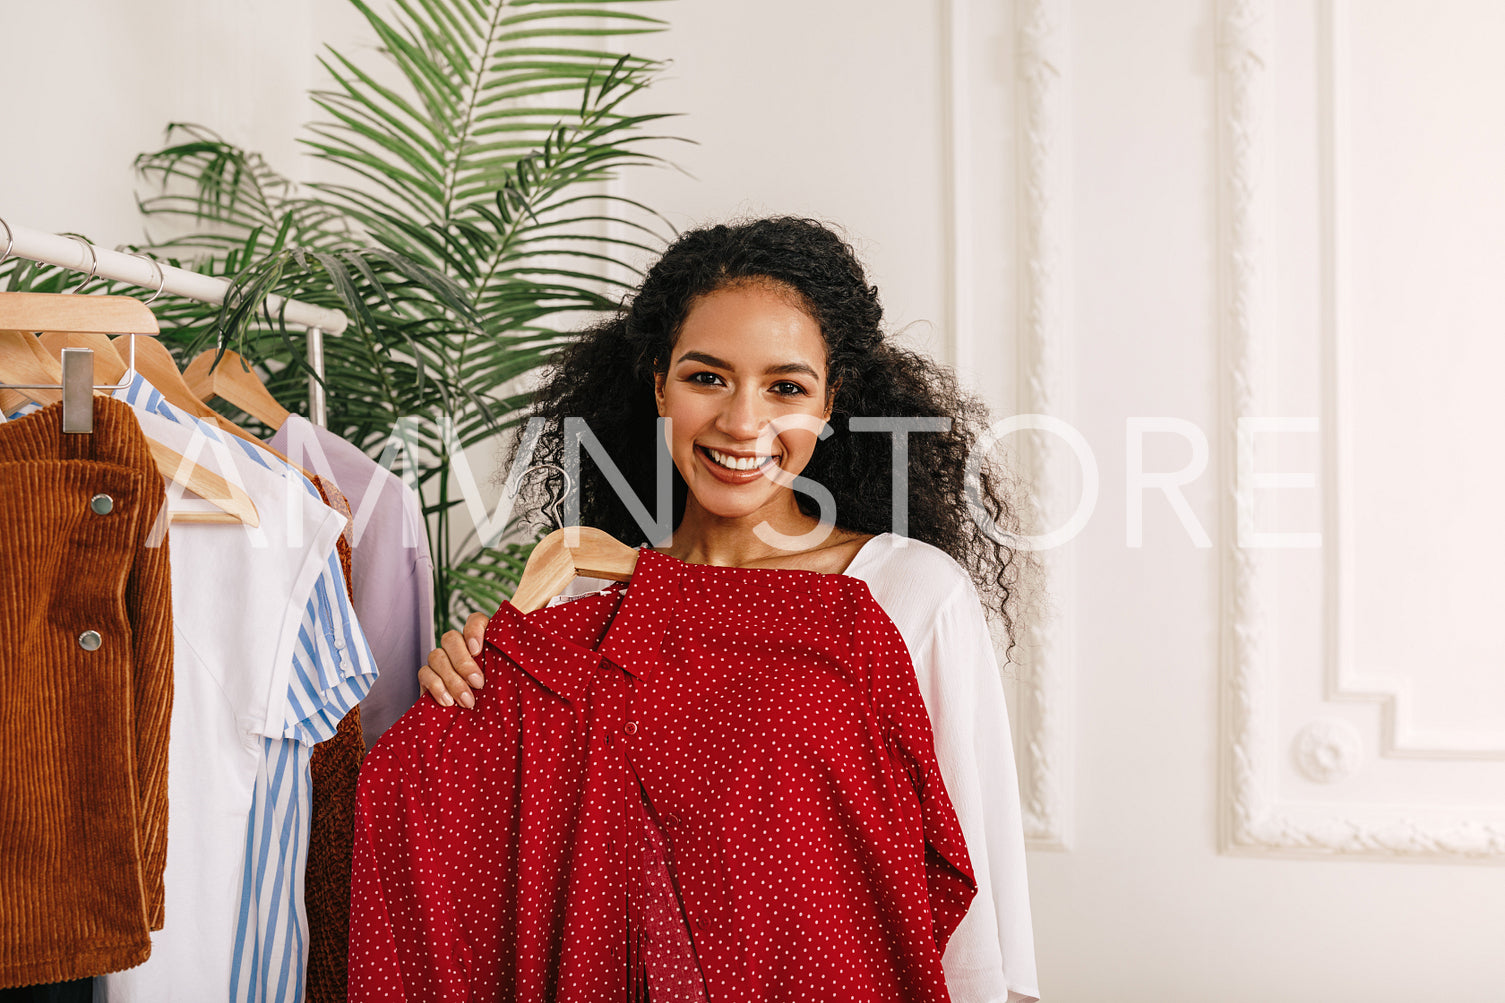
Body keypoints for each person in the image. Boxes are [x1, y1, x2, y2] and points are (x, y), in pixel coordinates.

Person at [416, 217, 1040, 1002]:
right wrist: (468, 691)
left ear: (830, 400)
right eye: (706, 377)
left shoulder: (908, 593)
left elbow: (972, 911)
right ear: (656, 381)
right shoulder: (590, 599)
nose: (742, 422)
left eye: (785, 386)